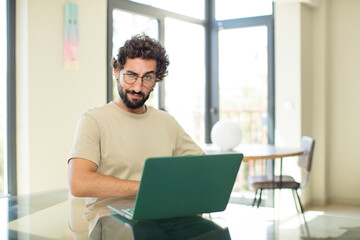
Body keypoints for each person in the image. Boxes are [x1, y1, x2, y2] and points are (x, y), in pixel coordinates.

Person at [67, 34, 204, 207]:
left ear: (157, 79)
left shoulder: (166, 122)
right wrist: (148, 188)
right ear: (116, 71)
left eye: (147, 78)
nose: (138, 88)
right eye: (131, 75)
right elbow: (79, 183)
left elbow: (201, 168)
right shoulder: (93, 120)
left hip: (160, 214)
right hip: (109, 219)